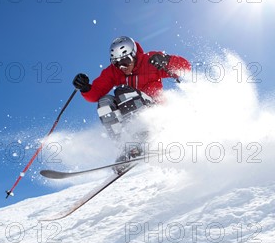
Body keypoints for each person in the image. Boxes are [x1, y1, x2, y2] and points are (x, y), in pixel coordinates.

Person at [72, 36, 191, 172]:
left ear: (134, 55)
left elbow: (185, 67)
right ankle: (126, 147)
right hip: (131, 115)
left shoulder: (149, 60)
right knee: (104, 102)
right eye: (117, 63)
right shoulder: (114, 72)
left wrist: (166, 61)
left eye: (125, 61)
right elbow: (95, 95)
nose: (122, 67)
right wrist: (85, 88)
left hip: (154, 114)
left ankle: (140, 140)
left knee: (123, 92)